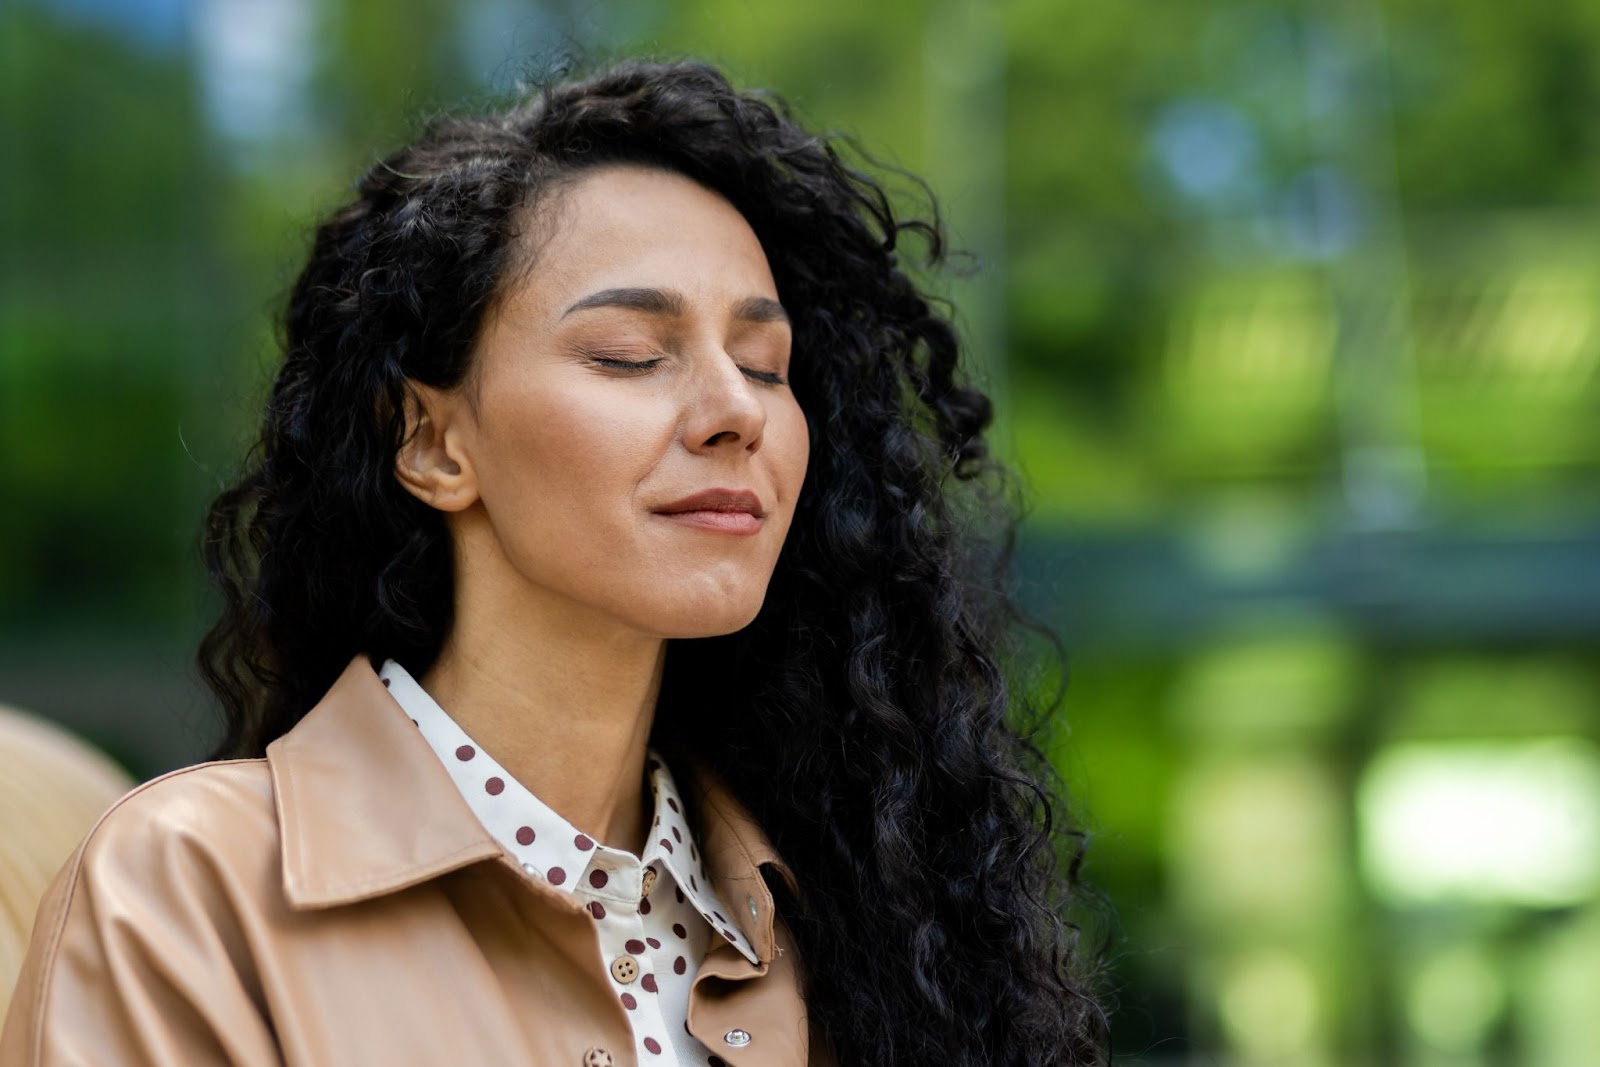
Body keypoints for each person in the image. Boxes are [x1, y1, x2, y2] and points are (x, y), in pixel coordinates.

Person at [0, 58, 1108, 1066]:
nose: (735, 411)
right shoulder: (194, 892)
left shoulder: (847, 927)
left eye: (767, 365)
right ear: (433, 441)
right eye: (631, 354)